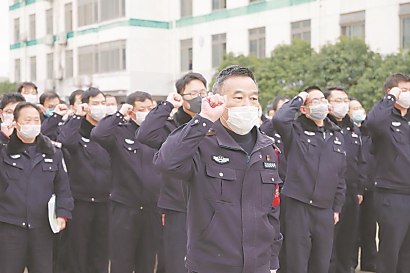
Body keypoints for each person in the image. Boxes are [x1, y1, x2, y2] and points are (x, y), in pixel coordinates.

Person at [153, 65, 283, 273]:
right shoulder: (202, 142)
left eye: (254, 98)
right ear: (220, 100)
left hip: (258, 265)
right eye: (239, 98)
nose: (248, 105)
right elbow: (166, 163)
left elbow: (272, 210)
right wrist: (203, 119)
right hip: (211, 264)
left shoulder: (267, 148)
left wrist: (273, 261)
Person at [136, 72, 208, 273]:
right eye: (192, 93)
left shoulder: (215, 124)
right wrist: (167, 105)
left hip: (210, 205)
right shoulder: (171, 127)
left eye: (202, 92)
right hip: (179, 207)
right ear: (181, 97)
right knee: (178, 262)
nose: (199, 97)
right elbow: (145, 134)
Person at [272, 86, 346, 273]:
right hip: (299, 206)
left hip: (325, 209)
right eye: (314, 101)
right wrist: (301, 97)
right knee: (297, 264)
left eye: (323, 100)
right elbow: (280, 118)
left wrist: (337, 207)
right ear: (303, 109)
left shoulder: (336, 135)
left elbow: (340, 175)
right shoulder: (295, 131)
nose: (320, 104)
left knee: (321, 264)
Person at [92, 91, 162, 273]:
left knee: (147, 261)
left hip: (152, 209)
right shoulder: (119, 131)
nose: (146, 112)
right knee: (121, 261)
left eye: (150, 108)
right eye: (142, 109)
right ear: (131, 112)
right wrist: (119, 113)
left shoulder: (158, 134)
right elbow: (99, 134)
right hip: (124, 208)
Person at [0, 102, 74, 273]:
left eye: (36, 120)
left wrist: (63, 213)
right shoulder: (5, 149)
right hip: (10, 226)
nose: (32, 125)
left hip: (42, 227)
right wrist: (3, 136)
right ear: (16, 123)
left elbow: (63, 185)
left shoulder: (52, 151)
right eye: (27, 120)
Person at [58, 87, 111, 273]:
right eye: (95, 103)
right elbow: (66, 142)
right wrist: (76, 117)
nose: (100, 107)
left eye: (103, 103)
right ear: (86, 106)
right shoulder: (76, 130)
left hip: (105, 202)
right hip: (80, 202)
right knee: (77, 252)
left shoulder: (108, 132)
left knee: (100, 252)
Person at [365, 73, 410, 273]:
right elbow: (371, 124)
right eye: (404, 90)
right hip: (392, 194)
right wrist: (391, 98)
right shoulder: (384, 119)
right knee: (390, 253)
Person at [324, 86, 366, 273]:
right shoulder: (323, 126)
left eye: (345, 100)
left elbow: (361, 160)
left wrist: (359, 189)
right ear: (328, 104)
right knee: (330, 239)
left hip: (351, 192)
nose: (343, 104)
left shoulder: (353, 128)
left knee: (349, 237)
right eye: (337, 100)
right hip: (329, 194)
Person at [260, 95, 289, 273]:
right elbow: (265, 127)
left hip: (294, 191)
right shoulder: (270, 130)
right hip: (274, 188)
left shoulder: (296, 130)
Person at [349, 98, 377, 272]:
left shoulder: (371, 133)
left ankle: (369, 262)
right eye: (354, 109)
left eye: (361, 107)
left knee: (370, 227)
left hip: (372, 187)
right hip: (353, 188)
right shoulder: (348, 133)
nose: (359, 111)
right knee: (352, 229)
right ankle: (350, 262)